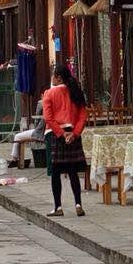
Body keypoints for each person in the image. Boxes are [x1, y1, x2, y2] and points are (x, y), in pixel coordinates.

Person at [42, 64, 90, 217]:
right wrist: (74, 134)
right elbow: (83, 116)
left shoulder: (49, 93)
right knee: (72, 171)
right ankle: (78, 204)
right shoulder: (76, 92)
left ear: (58, 78)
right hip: (73, 133)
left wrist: (61, 134)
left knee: (55, 173)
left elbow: (48, 118)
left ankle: (58, 207)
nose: (52, 78)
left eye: (53, 75)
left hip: (55, 135)